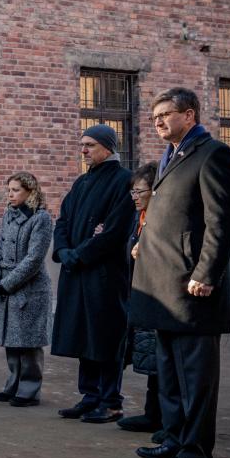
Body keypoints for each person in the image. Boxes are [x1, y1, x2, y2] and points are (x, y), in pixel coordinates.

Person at [131, 87, 230, 458]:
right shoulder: (169, 156)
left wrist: (206, 273)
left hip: (192, 287)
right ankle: (174, 438)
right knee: (170, 371)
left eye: (165, 114)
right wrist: (143, 245)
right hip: (164, 285)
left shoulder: (214, 155)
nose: (158, 122)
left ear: (189, 115)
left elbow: (221, 222)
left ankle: (195, 451)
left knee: (194, 375)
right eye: (154, 117)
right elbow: (173, 216)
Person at [51, 124, 134, 424]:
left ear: (108, 147)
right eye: (82, 145)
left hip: (104, 276)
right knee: (83, 334)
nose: (83, 151)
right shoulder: (82, 182)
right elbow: (62, 221)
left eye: (90, 145)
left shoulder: (124, 181)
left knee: (106, 336)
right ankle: (90, 395)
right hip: (76, 272)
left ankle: (111, 401)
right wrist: (63, 252)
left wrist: (79, 254)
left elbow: (114, 231)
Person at [0, 171, 52, 406]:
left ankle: (29, 389)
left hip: (30, 289)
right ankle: (13, 384)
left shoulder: (40, 218)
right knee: (12, 340)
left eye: (16, 190)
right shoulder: (9, 215)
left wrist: (8, 283)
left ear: (30, 192)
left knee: (29, 341)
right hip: (7, 285)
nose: (11, 194)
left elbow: (34, 259)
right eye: (9, 190)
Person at [117, 162, 162, 436]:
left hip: (159, 298)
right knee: (150, 357)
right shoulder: (141, 217)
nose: (134, 197)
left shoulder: (159, 220)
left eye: (139, 191)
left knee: (160, 360)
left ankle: (161, 418)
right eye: (132, 192)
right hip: (141, 295)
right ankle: (152, 413)